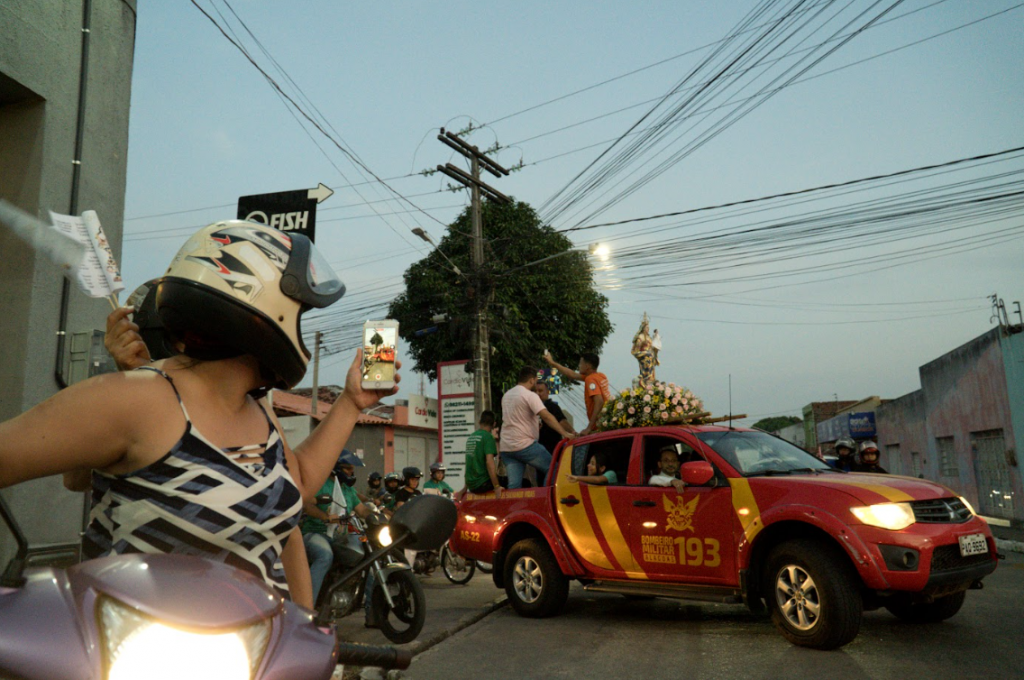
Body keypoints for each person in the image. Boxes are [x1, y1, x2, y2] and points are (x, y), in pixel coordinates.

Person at [0, 221, 400, 609]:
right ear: (260, 306)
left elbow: (299, 488)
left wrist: (351, 403)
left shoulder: (256, 407)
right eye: (299, 312)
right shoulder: (136, 398)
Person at [300, 450, 372, 603]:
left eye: (352, 469)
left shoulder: (347, 489)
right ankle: (307, 609)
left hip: (340, 536)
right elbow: (307, 505)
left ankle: (373, 613)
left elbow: (361, 509)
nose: (351, 472)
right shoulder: (320, 483)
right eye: (347, 468)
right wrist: (325, 517)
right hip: (316, 532)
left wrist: (376, 517)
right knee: (325, 556)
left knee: (370, 557)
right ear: (335, 467)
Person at [500, 366, 576, 489]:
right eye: (535, 380)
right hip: (524, 445)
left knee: (514, 485)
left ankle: (511, 507)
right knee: (554, 469)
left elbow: (516, 418)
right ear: (531, 380)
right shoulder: (529, 395)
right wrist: (565, 433)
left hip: (507, 448)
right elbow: (546, 416)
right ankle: (545, 499)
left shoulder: (507, 395)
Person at [544, 351, 610, 436]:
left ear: (587, 366)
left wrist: (589, 428)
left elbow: (599, 401)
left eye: (581, 363)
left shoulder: (590, 380)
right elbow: (571, 374)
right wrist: (552, 363)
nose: (579, 366)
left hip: (599, 427)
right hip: (606, 422)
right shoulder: (600, 376)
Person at [465, 410, 502, 497]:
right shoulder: (488, 437)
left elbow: (470, 464)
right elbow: (489, 462)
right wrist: (496, 486)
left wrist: (464, 488)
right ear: (494, 424)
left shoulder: (471, 437)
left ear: (479, 422)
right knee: (524, 482)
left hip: (471, 485)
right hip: (483, 484)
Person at [535, 381, 573, 455]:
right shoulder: (531, 409)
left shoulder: (552, 406)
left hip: (553, 449)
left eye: (540, 391)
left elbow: (562, 421)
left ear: (548, 392)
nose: (538, 394)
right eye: (535, 391)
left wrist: (572, 432)